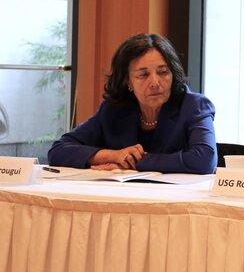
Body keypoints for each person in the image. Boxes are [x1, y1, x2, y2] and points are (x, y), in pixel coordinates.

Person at [48, 33, 217, 174]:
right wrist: (112, 156)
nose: (155, 82)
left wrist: (134, 162)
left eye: (163, 72)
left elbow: (205, 159)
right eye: (143, 75)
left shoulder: (194, 106)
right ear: (128, 81)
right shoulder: (114, 109)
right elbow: (58, 151)